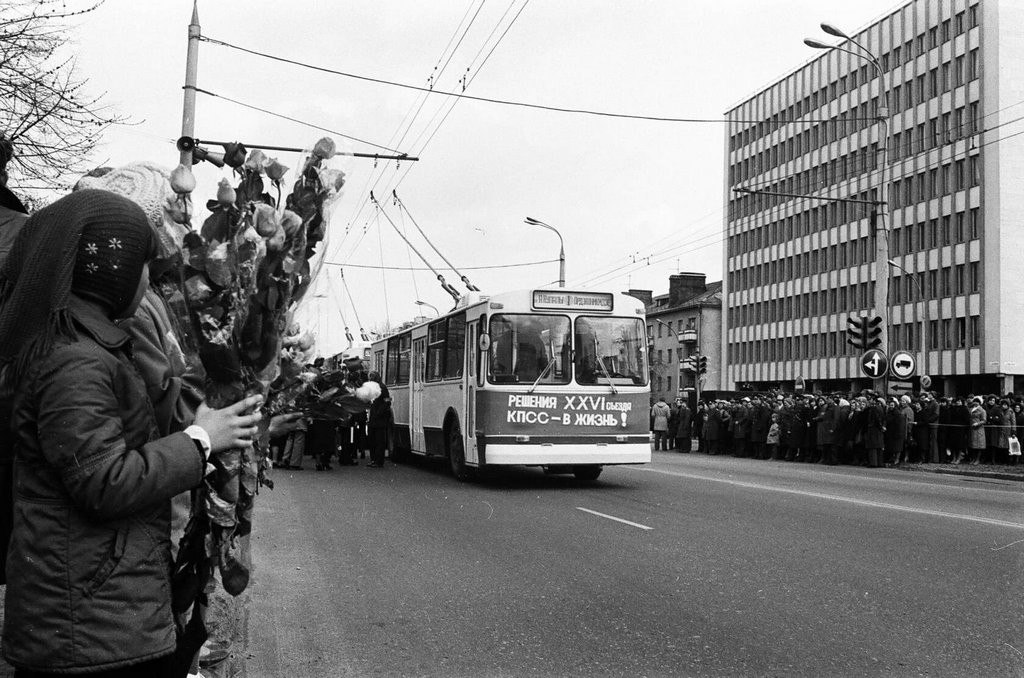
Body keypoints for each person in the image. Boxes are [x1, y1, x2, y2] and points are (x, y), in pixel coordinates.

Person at [0, 190, 262, 677]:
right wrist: (200, 441)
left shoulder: (84, 345)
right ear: (114, 270)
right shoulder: (74, 359)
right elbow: (103, 480)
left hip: (95, 610)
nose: (150, 280)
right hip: (89, 626)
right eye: (145, 265)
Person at [366, 371, 392, 467]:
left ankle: (379, 461)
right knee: (372, 440)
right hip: (373, 418)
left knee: (379, 441)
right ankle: (373, 460)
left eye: (372, 378)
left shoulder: (383, 388)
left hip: (380, 419)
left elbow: (388, 401)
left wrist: (380, 412)